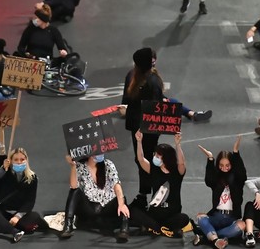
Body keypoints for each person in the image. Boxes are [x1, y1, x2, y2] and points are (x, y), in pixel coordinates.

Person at [120, 47, 164, 208]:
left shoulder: (132, 77)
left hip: (138, 127)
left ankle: (146, 193)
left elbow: (125, 98)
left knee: (142, 159)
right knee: (148, 159)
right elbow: (156, 107)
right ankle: (151, 192)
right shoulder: (154, 81)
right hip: (148, 128)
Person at [0, 148, 46, 243]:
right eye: (16, 160)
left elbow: (30, 201)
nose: (19, 162)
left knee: (35, 216)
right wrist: (2, 170)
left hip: (18, 213)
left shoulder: (33, 178)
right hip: (3, 211)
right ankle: (13, 230)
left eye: (22, 159)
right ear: (11, 161)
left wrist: (17, 216)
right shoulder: (5, 172)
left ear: (26, 160)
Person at [130, 131, 190, 237]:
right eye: (155, 154)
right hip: (155, 213)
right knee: (133, 212)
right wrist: (139, 142)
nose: (155, 157)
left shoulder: (177, 173)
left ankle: (153, 227)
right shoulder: (153, 169)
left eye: (158, 155)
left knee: (184, 218)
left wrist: (178, 144)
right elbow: (141, 159)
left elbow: (181, 162)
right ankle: (160, 228)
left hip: (172, 213)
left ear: (166, 158)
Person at [59, 154, 130, 242]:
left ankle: (124, 228)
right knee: (75, 191)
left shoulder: (108, 164)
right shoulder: (81, 166)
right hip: (90, 207)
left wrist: (121, 204)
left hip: (107, 206)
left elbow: (116, 184)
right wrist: (73, 166)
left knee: (122, 198)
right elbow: (74, 186)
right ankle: (68, 225)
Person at [192, 136, 247, 248]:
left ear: (232, 165)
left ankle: (206, 237)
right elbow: (209, 180)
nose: (224, 168)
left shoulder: (237, 180)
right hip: (216, 215)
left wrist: (236, 153)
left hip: (231, 217)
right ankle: (216, 239)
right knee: (200, 218)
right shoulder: (216, 179)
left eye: (227, 165)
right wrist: (210, 159)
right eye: (221, 165)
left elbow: (242, 173)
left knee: (241, 226)